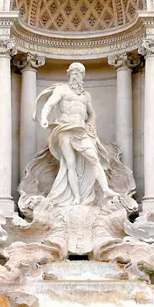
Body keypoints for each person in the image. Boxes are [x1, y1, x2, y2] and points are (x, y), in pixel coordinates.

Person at [35, 63, 119, 206]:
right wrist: (44, 118)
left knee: (94, 158)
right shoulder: (61, 89)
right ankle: (76, 197)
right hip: (65, 129)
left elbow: (92, 114)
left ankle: (106, 190)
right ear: (69, 75)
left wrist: (90, 125)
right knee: (70, 165)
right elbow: (49, 105)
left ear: (82, 77)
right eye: (73, 73)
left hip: (81, 130)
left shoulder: (86, 96)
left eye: (79, 74)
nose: (76, 76)